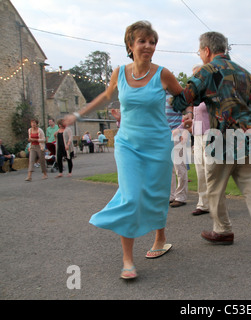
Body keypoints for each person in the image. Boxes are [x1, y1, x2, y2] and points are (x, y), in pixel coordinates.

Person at [64, 20, 185, 280]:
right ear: (130, 45)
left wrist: (187, 113)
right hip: (128, 144)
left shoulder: (163, 73)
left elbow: (183, 97)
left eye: (152, 42)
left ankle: (160, 237)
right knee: (131, 196)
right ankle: (127, 259)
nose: (148, 46)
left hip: (158, 143)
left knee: (158, 192)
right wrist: (77, 114)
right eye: (142, 41)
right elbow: (106, 97)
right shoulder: (119, 73)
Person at [171, 31, 251, 260]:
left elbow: (182, 100)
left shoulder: (207, 71)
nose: (200, 55)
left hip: (223, 137)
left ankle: (222, 230)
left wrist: (169, 87)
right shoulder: (247, 74)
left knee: (214, 187)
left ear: (207, 50)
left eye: (200, 51)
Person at [191, 64, 211, 216]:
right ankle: (203, 204)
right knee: (200, 170)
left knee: (211, 170)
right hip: (197, 135)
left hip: (211, 134)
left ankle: (216, 202)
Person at [166, 92, 189, 208]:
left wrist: (182, 130)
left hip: (177, 133)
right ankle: (170, 195)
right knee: (167, 169)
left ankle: (181, 197)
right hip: (164, 135)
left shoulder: (176, 96)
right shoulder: (157, 96)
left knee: (179, 166)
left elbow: (188, 113)